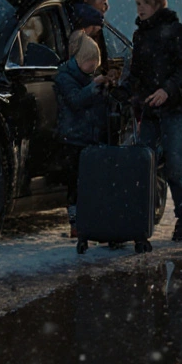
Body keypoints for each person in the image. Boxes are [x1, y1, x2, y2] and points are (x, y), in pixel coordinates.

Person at [120, 0, 182, 241]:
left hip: (174, 108)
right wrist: (124, 90)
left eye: (143, 3)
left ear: (156, 3)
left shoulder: (175, 31)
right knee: (144, 163)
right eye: (137, 4)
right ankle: (140, 217)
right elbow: (137, 73)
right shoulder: (140, 35)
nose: (139, 8)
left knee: (174, 164)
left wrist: (167, 89)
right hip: (150, 111)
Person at [54, 30, 110, 238]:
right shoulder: (65, 78)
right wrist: (94, 87)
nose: (93, 67)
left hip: (87, 137)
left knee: (87, 182)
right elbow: (76, 101)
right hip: (73, 138)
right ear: (80, 60)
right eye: (90, 62)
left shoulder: (86, 77)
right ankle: (75, 222)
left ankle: (87, 221)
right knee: (75, 182)